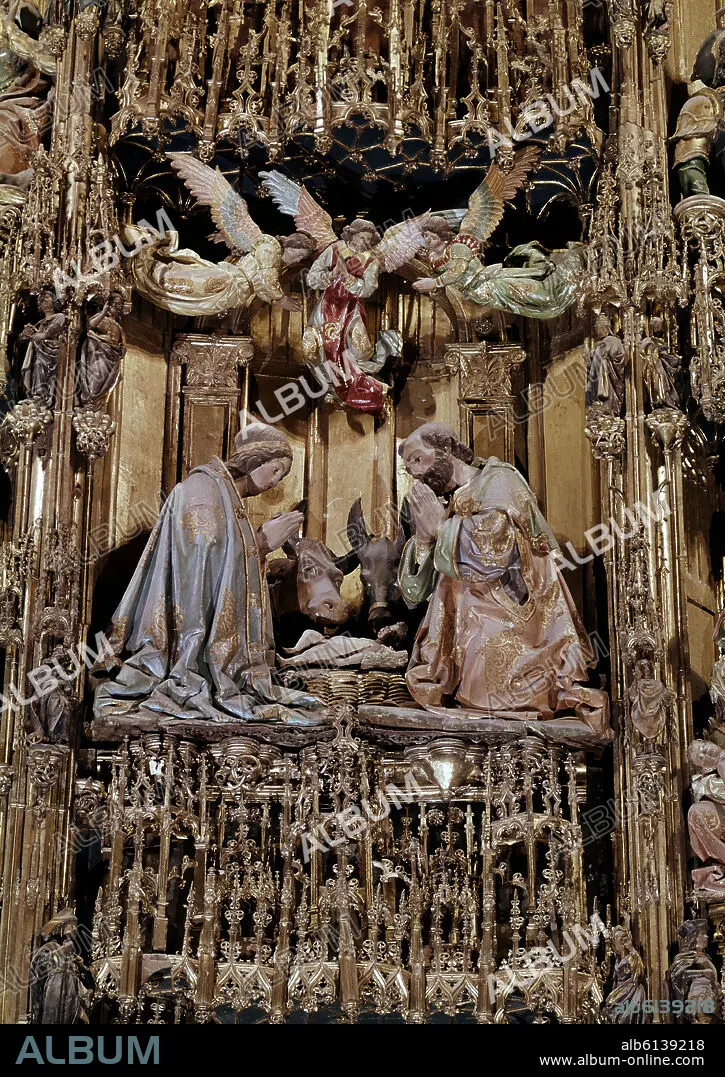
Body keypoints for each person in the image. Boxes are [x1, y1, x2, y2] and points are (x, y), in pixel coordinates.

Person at [93, 423, 325, 725]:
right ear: (255, 458)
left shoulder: (227, 496)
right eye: (276, 470)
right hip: (187, 650)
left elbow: (221, 561)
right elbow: (198, 568)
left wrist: (259, 547)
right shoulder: (203, 490)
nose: (275, 482)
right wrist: (261, 543)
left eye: (282, 476)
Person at [397, 422, 610, 736]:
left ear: (446, 448)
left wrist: (441, 529)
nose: (415, 472)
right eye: (408, 467)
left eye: (418, 459)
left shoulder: (499, 480)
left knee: (492, 691)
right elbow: (415, 592)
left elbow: (494, 552)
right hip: (467, 623)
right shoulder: (450, 502)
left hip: (512, 620)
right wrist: (426, 540)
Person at [76, 291, 125, 405]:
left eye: (120, 304)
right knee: (98, 375)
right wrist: (103, 313)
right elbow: (90, 325)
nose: (118, 306)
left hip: (113, 356)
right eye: (116, 303)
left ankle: (97, 402)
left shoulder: (118, 325)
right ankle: (91, 400)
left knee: (110, 380)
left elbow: (123, 343)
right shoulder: (101, 318)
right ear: (108, 304)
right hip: (100, 353)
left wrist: (122, 349)